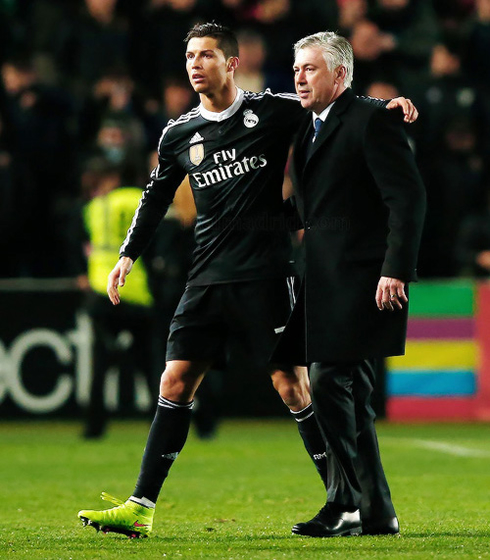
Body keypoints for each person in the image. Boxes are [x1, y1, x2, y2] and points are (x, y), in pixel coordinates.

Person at [77, 22, 418, 538]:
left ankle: (346, 500)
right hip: (205, 277)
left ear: (230, 63)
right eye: (189, 55)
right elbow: (155, 198)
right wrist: (128, 255)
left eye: (206, 54)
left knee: (295, 385)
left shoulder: (274, 110)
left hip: (267, 274)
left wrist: (386, 107)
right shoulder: (178, 134)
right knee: (175, 380)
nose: (194, 64)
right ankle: (141, 505)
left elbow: (334, 103)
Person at [276, 31, 426, 538]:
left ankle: (347, 501)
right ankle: (378, 512)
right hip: (321, 276)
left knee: (325, 380)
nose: (298, 76)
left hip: (364, 278)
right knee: (351, 394)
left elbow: (408, 200)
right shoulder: (307, 123)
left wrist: (395, 268)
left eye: (310, 68)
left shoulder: (370, 119)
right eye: (295, 67)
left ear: (340, 75)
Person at [70, 158, 156, 438]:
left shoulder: (92, 209)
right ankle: (160, 424)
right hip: (135, 291)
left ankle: (94, 427)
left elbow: (82, 243)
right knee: (149, 364)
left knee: (100, 365)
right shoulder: (134, 199)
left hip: (100, 292)